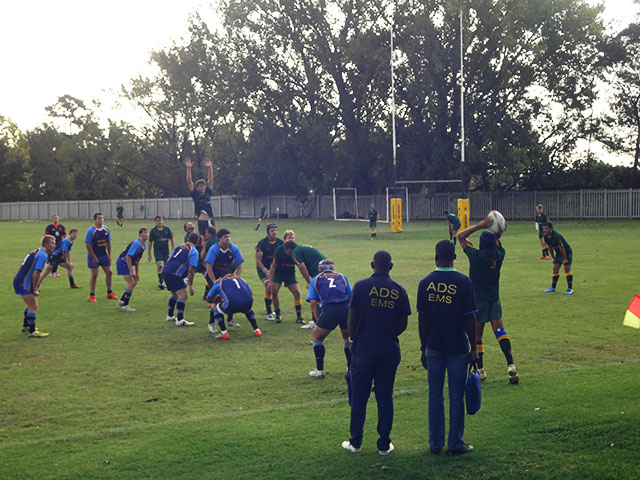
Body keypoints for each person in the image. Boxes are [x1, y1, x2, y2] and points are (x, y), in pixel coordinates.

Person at [342, 250, 410, 456]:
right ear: (391, 266)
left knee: (359, 397)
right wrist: (389, 333)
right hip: (388, 350)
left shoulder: (361, 286)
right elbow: (403, 323)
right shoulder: (399, 290)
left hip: (363, 349)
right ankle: (383, 444)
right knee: (385, 397)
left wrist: (353, 339)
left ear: (372, 265)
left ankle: (355, 442)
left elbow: (351, 319)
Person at [417, 240, 477, 456]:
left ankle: (435, 443)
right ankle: (455, 444)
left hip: (434, 345)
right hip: (457, 345)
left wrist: (423, 348)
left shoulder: (425, 283)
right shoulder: (464, 282)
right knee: (456, 395)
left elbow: (422, 320)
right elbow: (469, 318)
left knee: (435, 394)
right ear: (454, 257)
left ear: (435, 258)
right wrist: (474, 347)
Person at [457, 217, 519, 384]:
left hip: (478, 302)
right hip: (494, 300)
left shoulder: (475, 256)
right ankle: (511, 366)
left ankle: (481, 370)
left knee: (477, 336)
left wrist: (481, 225)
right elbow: (496, 242)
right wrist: (498, 229)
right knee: (500, 331)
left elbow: (460, 236)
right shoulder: (499, 255)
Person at [306, 259, 353, 379]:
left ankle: (319, 370)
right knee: (348, 339)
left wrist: (318, 321)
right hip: (345, 308)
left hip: (330, 309)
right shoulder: (342, 276)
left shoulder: (315, 280)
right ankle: (351, 368)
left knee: (317, 337)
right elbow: (351, 296)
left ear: (319, 269)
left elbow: (313, 303)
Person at [14, 235, 57, 337]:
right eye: (52, 243)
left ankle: (26, 326)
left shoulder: (38, 251)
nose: (54, 245)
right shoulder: (43, 255)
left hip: (21, 279)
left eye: (54, 243)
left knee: (29, 304)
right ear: (46, 244)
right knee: (33, 305)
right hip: (24, 282)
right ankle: (32, 331)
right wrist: (35, 288)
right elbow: (37, 272)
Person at [204, 228, 245, 327]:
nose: (228, 239)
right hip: (213, 274)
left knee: (231, 296)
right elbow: (208, 267)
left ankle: (230, 320)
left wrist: (235, 277)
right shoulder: (214, 249)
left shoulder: (234, 248)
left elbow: (240, 266)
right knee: (217, 298)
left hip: (226, 273)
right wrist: (214, 281)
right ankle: (211, 323)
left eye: (229, 236)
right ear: (219, 238)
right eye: (225, 237)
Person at [284, 240, 327, 329]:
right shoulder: (301, 248)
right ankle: (321, 319)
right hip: (326, 268)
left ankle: (316, 322)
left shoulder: (295, 253)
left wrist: (309, 282)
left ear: (288, 249)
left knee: (314, 296)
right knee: (321, 295)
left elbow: (302, 267)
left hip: (318, 271)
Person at [206, 272, 263, 339]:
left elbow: (208, 299)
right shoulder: (242, 280)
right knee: (248, 309)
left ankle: (224, 332)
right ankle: (257, 330)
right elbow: (250, 293)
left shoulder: (219, 282)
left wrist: (217, 300)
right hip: (248, 303)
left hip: (231, 305)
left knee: (215, 307)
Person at [161, 233, 200, 326]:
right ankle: (180, 319)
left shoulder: (179, 247)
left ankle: (170, 316)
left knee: (174, 294)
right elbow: (191, 270)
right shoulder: (194, 251)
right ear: (198, 242)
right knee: (183, 296)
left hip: (166, 270)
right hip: (174, 274)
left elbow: (169, 258)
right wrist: (191, 285)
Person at [268, 233, 304, 324]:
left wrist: (305, 276)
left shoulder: (297, 250)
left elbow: (301, 265)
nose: (291, 239)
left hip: (290, 274)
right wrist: (270, 281)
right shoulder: (279, 250)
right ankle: (278, 314)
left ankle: (299, 317)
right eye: (289, 238)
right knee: (274, 291)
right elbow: (273, 265)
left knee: (297, 292)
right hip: (278, 274)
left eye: (292, 238)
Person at [86, 213, 118, 303]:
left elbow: (108, 242)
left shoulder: (106, 229)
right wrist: (94, 258)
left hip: (104, 256)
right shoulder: (91, 231)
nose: (101, 220)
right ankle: (92, 295)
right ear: (95, 220)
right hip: (94, 256)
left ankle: (109, 293)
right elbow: (88, 245)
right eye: (99, 218)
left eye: (102, 218)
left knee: (109, 272)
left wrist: (109, 255)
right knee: (94, 274)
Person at [115, 227, 149, 312]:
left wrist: (136, 273)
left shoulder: (143, 245)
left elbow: (137, 261)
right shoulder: (137, 244)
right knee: (131, 283)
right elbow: (128, 256)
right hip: (122, 263)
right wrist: (131, 271)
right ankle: (125, 306)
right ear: (140, 235)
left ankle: (122, 301)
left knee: (134, 282)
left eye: (147, 232)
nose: (147, 234)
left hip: (126, 264)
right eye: (144, 233)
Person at [255, 223, 283, 321]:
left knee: (274, 290)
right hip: (263, 269)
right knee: (269, 287)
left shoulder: (280, 242)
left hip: (275, 269)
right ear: (268, 232)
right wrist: (265, 271)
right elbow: (258, 260)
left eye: (276, 230)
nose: (274, 232)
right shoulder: (262, 243)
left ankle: (274, 309)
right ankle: (269, 312)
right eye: (272, 230)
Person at [185, 156, 215, 242]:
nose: (203, 187)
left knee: (213, 241)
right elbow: (189, 181)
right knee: (203, 241)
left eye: (204, 185)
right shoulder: (196, 194)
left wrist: (210, 168)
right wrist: (189, 168)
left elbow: (210, 180)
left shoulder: (207, 193)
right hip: (202, 222)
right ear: (197, 187)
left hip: (210, 220)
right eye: (200, 186)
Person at [542, 222, 574, 295]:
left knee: (566, 268)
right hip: (559, 253)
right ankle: (553, 288)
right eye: (543, 228)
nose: (544, 230)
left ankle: (570, 289)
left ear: (551, 229)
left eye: (546, 228)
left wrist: (565, 259)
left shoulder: (557, 236)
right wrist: (553, 258)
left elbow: (562, 247)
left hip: (566, 252)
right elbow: (550, 247)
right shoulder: (545, 237)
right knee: (555, 269)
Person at [148, 216, 175, 290]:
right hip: (158, 251)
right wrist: (149, 253)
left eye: (161, 220)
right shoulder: (153, 231)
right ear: (155, 222)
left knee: (166, 267)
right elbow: (150, 242)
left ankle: (165, 281)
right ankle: (161, 281)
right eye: (158, 221)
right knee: (160, 265)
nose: (160, 222)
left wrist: (173, 249)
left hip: (165, 251)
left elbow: (172, 239)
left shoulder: (167, 229)